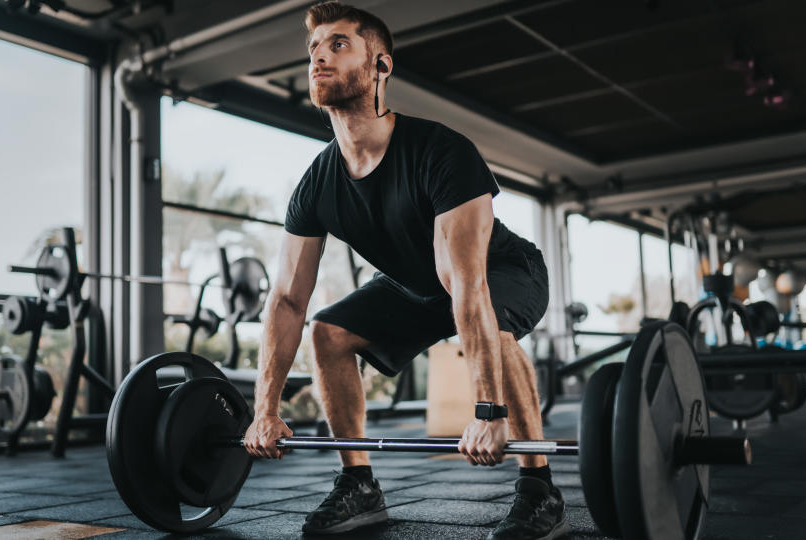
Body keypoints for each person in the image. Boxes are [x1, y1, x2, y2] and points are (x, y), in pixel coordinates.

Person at [243, 2, 567, 538]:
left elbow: (468, 284)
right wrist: (265, 410)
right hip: (417, 286)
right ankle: (359, 486)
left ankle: (539, 490)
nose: (319, 55)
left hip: (501, 270)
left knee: (498, 332)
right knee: (328, 331)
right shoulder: (316, 184)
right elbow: (287, 301)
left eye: (339, 44)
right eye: (313, 49)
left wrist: (488, 410)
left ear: (381, 67)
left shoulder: (441, 152)